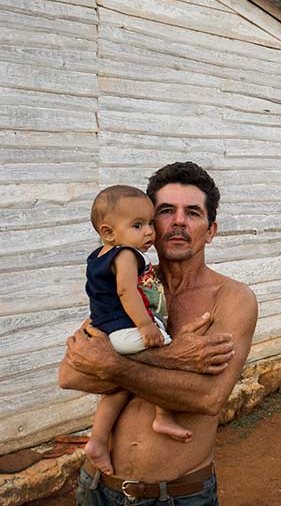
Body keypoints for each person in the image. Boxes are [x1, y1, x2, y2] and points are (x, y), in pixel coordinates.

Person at [60, 162, 259, 506]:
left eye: (193, 213)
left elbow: (207, 397)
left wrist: (116, 365)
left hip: (176, 496)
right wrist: (174, 357)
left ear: (211, 230)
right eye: (166, 211)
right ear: (151, 223)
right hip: (97, 487)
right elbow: (72, 372)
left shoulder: (232, 298)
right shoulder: (128, 285)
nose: (178, 221)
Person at [82, 184, 192, 476]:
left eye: (150, 224)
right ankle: (163, 415)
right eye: (137, 225)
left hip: (105, 331)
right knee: (169, 355)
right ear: (108, 232)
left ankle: (97, 440)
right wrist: (146, 325)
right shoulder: (125, 255)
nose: (149, 232)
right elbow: (125, 291)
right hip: (126, 329)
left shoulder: (98, 257)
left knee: (120, 386)